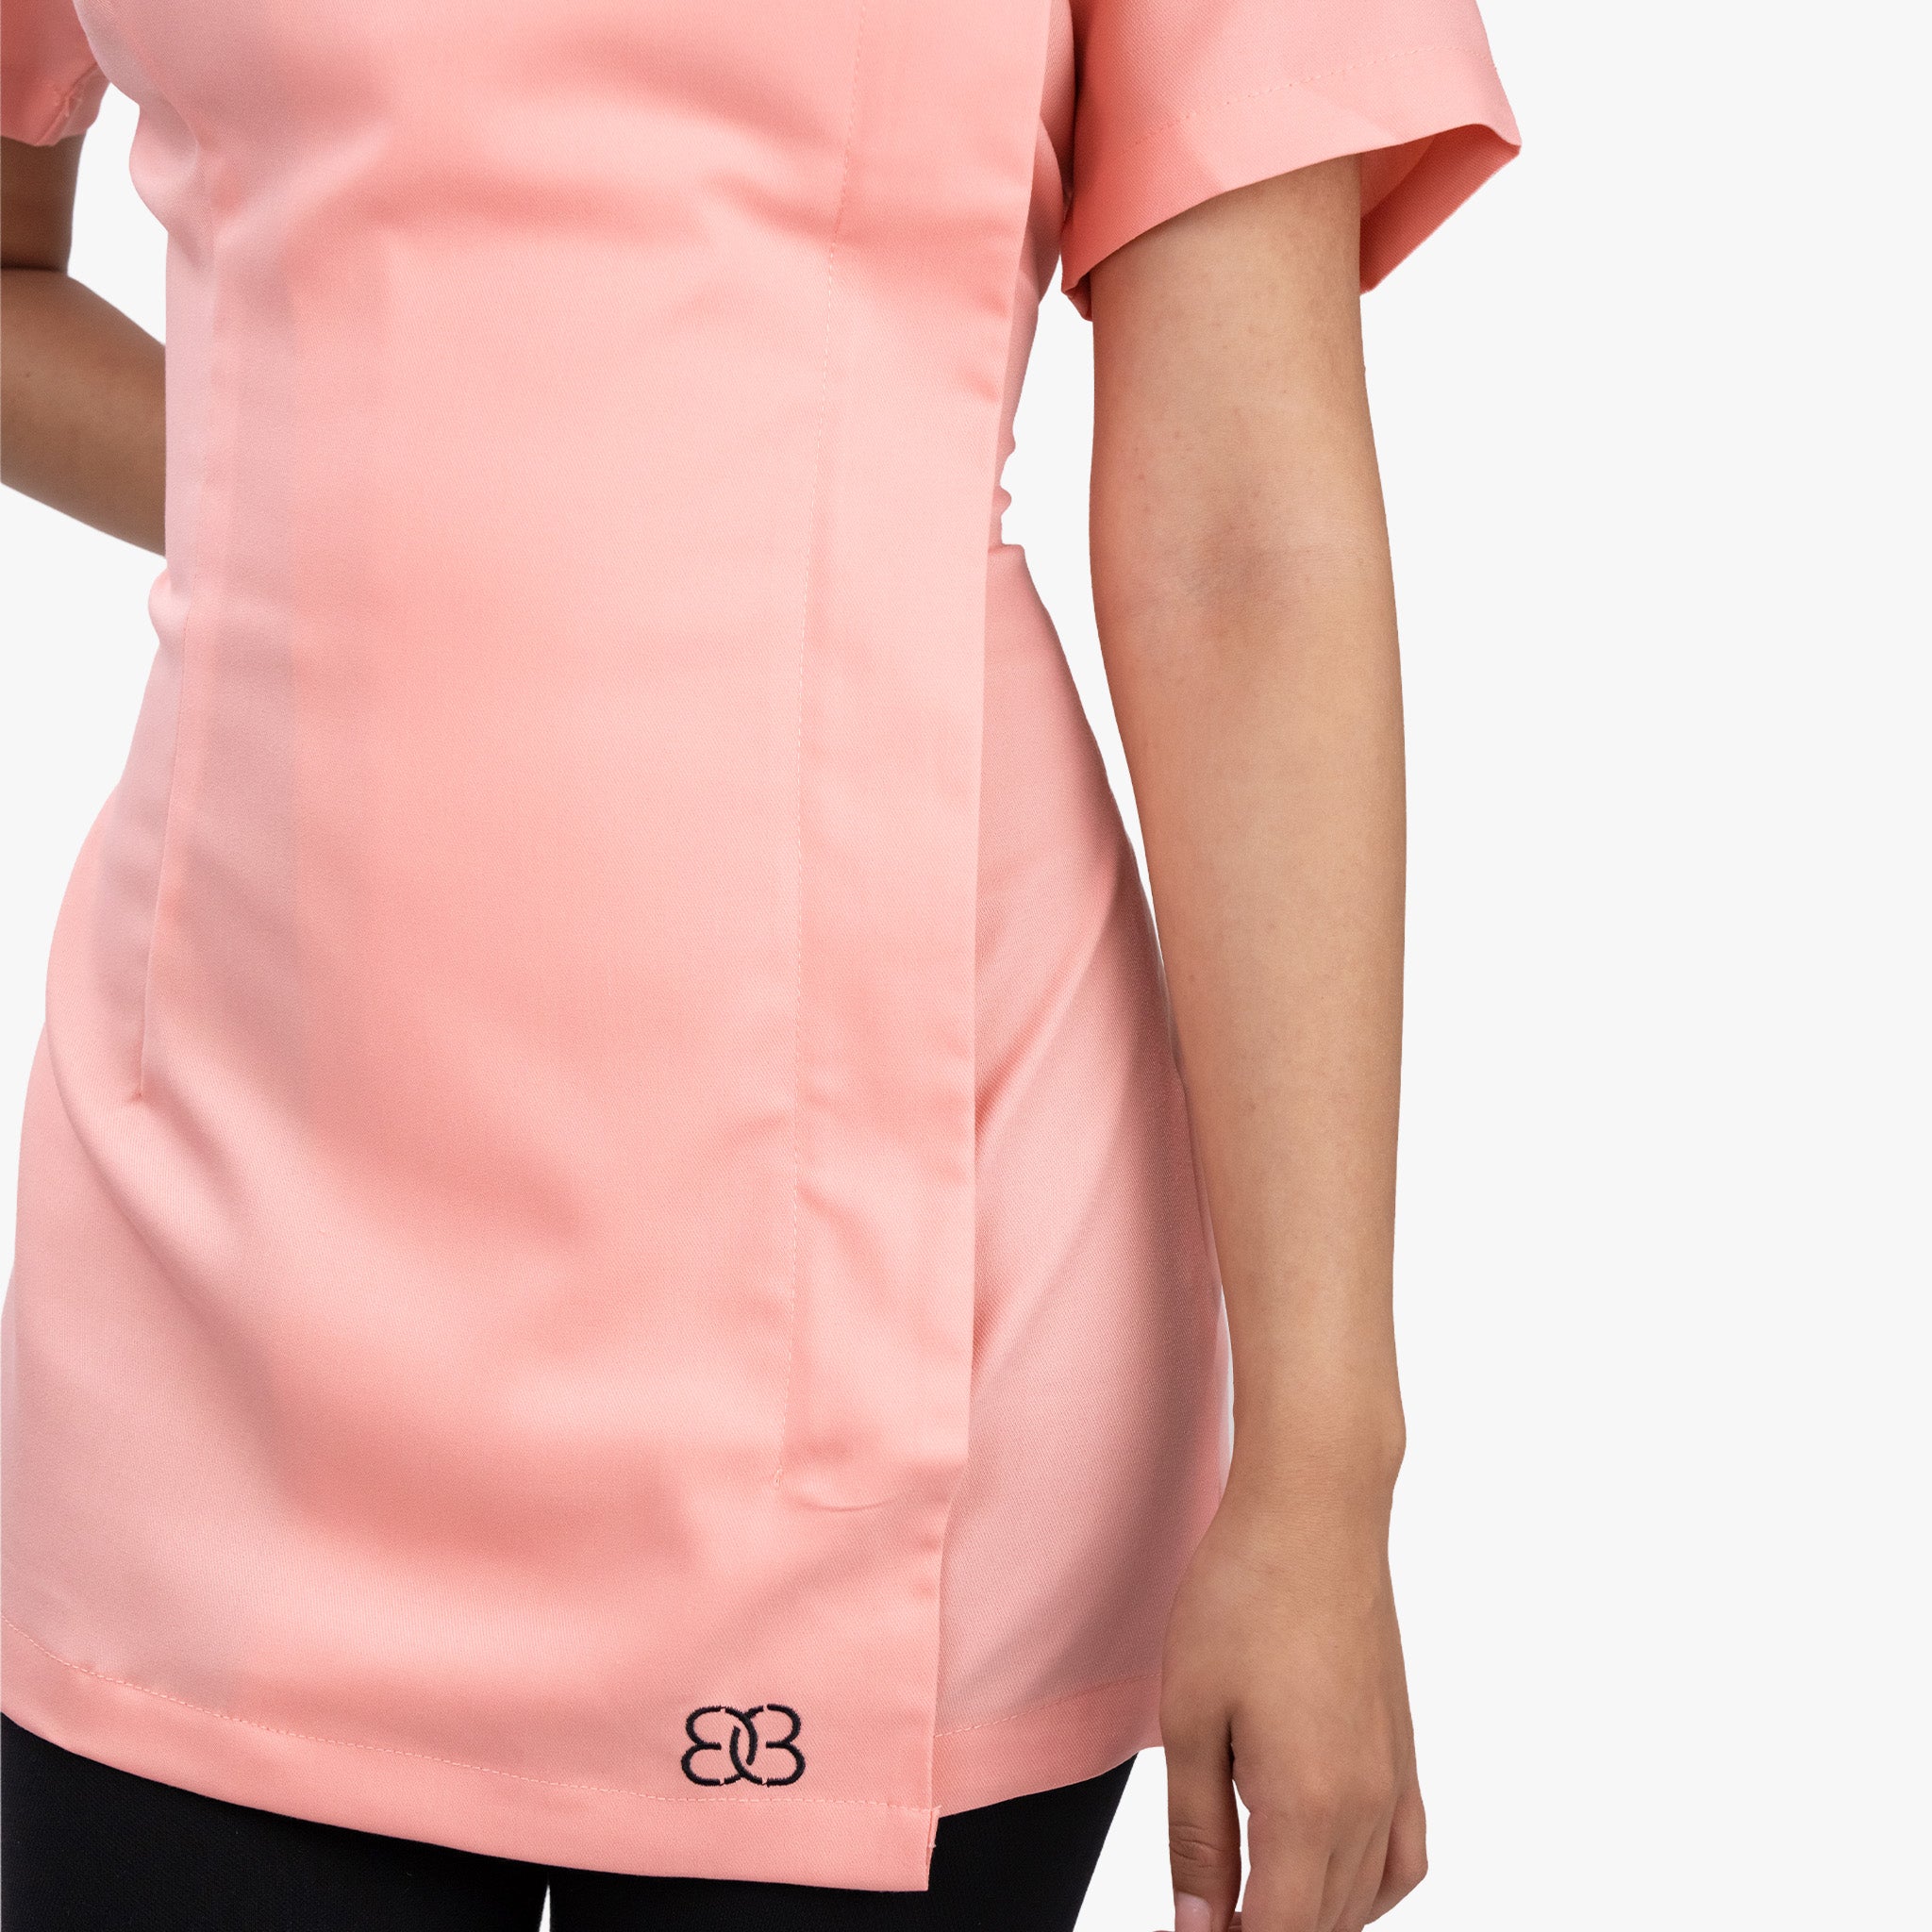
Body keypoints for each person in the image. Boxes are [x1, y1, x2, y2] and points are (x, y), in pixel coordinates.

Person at [0, 0, 1517, 1925]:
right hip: (217, 1288)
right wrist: (354, 497)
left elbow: (1240, 542)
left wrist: (1321, 1467)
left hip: (885, 1302)